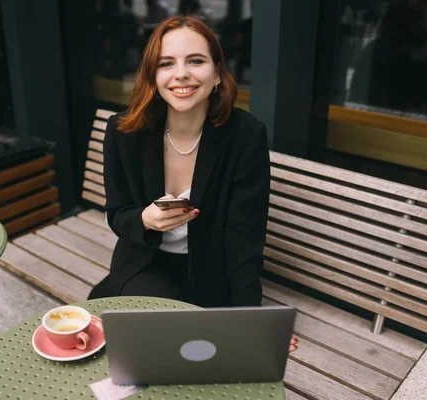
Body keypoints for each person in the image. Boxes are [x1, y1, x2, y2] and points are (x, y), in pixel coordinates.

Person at [89, 15, 297, 353]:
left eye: (195, 61)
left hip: (211, 274)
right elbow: (118, 214)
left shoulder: (246, 136)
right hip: (147, 263)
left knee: (204, 353)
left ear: (217, 73)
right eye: (166, 63)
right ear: (153, 76)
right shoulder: (124, 131)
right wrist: (145, 220)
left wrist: (254, 320)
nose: (181, 73)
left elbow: (244, 240)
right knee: (157, 342)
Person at [349, 0, 427, 115]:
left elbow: (356, 100)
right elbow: (425, 109)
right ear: (420, 16)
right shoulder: (425, 57)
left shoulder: (372, 50)